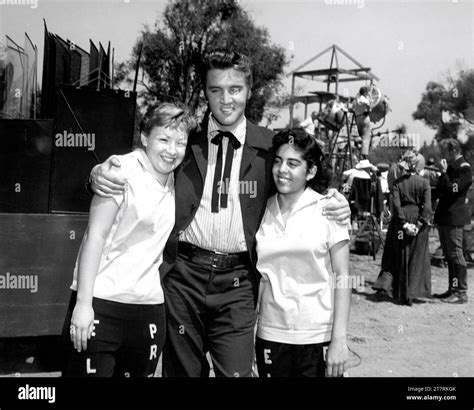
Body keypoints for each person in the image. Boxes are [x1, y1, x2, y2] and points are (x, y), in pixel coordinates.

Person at [89, 49, 351, 377]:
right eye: (216, 90)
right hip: (183, 278)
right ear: (206, 93)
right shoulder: (184, 143)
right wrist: (97, 172)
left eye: (235, 90)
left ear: (249, 91)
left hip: (239, 283)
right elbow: (142, 161)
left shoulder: (270, 148)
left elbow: (299, 177)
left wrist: (336, 199)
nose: (225, 100)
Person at [62, 103, 197, 377]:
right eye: (163, 139)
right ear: (145, 137)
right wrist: (84, 305)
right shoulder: (119, 170)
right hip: (101, 303)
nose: (172, 150)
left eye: (180, 143)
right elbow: (94, 236)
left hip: (148, 310)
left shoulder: (178, 179)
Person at [255, 128, 351, 377]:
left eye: (293, 163)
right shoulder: (259, 210)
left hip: (316, 336)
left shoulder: (329, 209)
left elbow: (343, 277)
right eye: (278, 161)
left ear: (310, 171)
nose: (282, 170)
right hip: (270, 335)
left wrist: (339, 340)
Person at [372, 151, 432, 305]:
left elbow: (396, 205)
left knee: (394, 254)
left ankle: (388, 287)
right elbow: (427, 208)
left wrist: (404, 224)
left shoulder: (397, 183)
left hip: (399, 221)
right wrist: (418, 225)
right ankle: (410, 293)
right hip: (418, 219)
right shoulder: (424, 183)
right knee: (416, 256)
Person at [433, 138, 472, 304]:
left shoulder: (464, 168)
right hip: (445, 216)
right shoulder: (451, 167)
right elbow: (442, 189)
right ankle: (452, 288)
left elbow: (453, 190)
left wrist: (443, 174)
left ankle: (461, 292)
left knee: (456, 254)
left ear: (452, 151)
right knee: (449, 255)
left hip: (454, 216)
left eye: (444, 152)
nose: (443, 155)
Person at [352, 86, 372, 158]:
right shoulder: (365, 100)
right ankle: (364, 156)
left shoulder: (356, 100)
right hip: (364, 118)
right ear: (365, 93)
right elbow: (369, 106)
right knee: (366, 137)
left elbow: (352, 107)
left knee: (360, 135)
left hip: (357, 119)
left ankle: (358, 147)